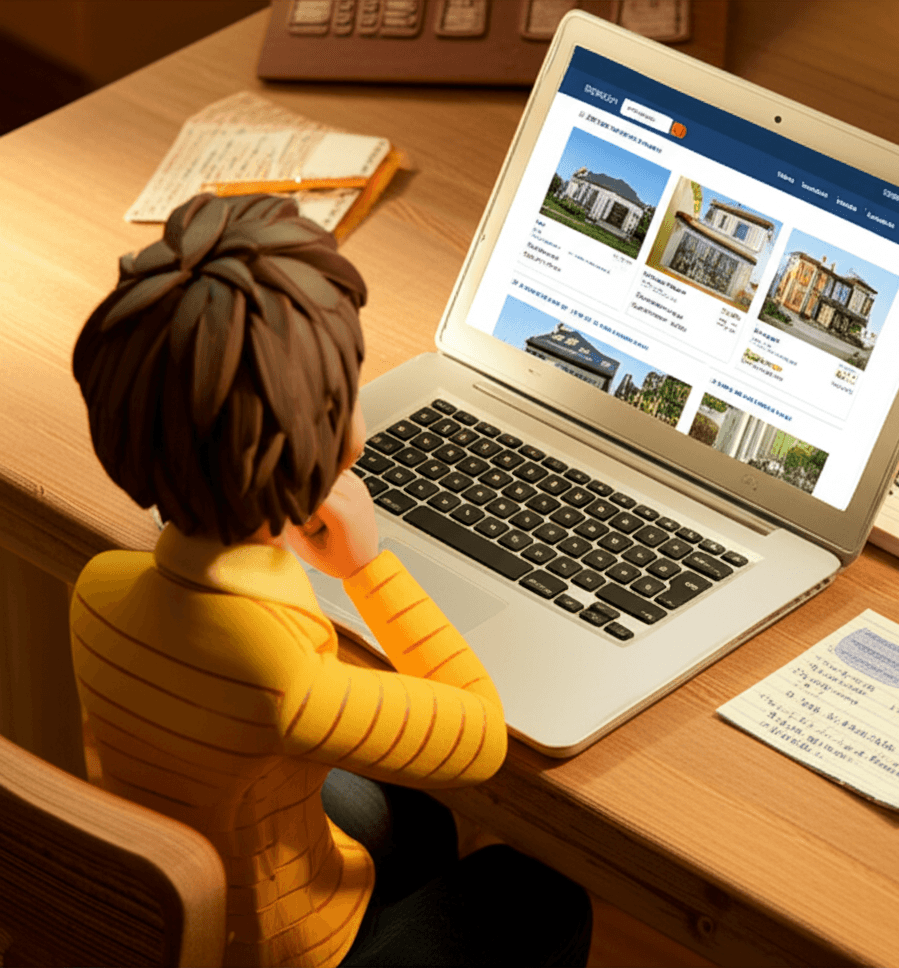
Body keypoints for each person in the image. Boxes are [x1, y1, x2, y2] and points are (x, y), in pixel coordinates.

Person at [69, 193, 591, 967]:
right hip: (277, 950)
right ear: (324, 439)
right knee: (536, 895)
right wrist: (368, 568)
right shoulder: (286, 683)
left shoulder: (98, 588)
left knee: (415, 824)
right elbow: (479, 735)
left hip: (166, 906)